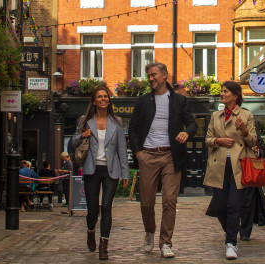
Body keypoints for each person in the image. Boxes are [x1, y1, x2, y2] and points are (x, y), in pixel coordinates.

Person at [128, 62, 197, 259]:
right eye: (148, 75)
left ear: (165, 75)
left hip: (170, 156)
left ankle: (166, 242)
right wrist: (138, 153)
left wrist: (186, 132)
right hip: (147, 155)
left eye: (154, 75)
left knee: (169, 200)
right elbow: (132, 130)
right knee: (147, 203)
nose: (151, 78)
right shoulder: (143, 101)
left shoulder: (179, 101)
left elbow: (192, 123)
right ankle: (150, 231)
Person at [74, 84, 129, 260]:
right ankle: (91, 230)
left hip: (110, 171)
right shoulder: (84, 120)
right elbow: (72, 143)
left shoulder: (117, 122)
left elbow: (122, 149)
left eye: (106, 96)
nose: (103, 99)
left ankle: (104, 245)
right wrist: (83, 135)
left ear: (109, 100)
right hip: (91, 170)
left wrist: (125, 173)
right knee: (92, 210)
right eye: (100, 97)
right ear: (94, 101)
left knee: (106, 207)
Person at [203, 81, 257, 260]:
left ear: (235, 95)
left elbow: (254, 142)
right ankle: (231, 231)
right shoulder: (215, 116)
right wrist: (219, 141)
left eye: (226, 91)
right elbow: (208, 139)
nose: (222, 94)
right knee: (219, 207)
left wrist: (243, 130)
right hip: (219, 166)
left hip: (238, 166)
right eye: (222, 91)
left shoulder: (246, 115)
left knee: (234, 205)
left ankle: (231, 243)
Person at [239, 132, 265, 241]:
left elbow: (262, 151)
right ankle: (230, 228)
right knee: (231, 203)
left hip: (250, 173)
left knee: (248, 203)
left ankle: (245, 232)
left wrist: (257, 152)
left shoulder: (253, 134)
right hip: (235, 172)